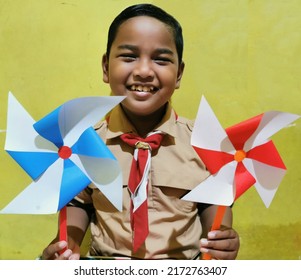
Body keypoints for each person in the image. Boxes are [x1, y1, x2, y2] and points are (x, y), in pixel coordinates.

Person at [41, 3, 240, 260]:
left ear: (178, 74)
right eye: (129, 56)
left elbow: (215, 201)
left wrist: (221, 236)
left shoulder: (205, 142)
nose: (144, 71)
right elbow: (78, 202)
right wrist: (68, 242)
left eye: (160, 59)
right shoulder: (80, 146)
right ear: (105, 67)